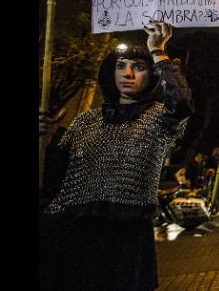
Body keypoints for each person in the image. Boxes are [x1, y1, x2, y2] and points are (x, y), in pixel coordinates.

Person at [39, 21, 193, 291]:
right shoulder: (85, 121)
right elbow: (53, 177)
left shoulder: (158, 118)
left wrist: (157, 51)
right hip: (76, 235)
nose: (128, 73)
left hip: (126, 238)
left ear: (151, 75)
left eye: (139, 67)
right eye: (121, 66)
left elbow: (180, 102)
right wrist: (46, 139)